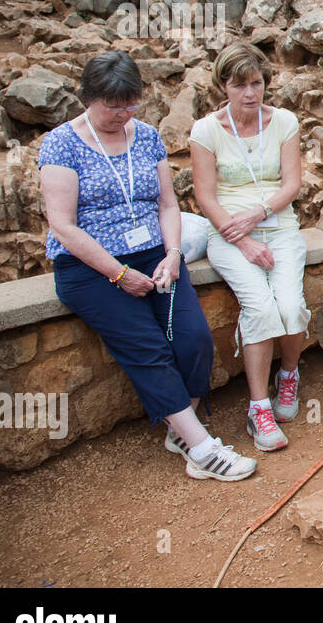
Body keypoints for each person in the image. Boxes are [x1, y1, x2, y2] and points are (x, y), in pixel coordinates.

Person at [38, 51, 256, 481]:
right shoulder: (61, 142)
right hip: (89, 266)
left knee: (193, 338)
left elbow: (167, 203)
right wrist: (117, 274)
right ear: (88, 98)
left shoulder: (146, 136)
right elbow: (62, 226)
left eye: (129, 106)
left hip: (154, 254)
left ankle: (181, 427)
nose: (121, 115)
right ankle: (202, 449)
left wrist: (173, 254)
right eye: (112, 107)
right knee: (148, 348)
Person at [190, 42, 308, 453]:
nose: (250, 94)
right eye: (239, 85)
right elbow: (205, 197)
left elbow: (292, 184)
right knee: (259, 307)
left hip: (278, 225)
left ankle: (288, 376)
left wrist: (258, 216)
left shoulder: (284, 121)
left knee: (291, 306)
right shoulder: (206, 131)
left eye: (256, 83)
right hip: (226, 233)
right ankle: (258, 407)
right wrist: (242, 240)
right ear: (224, 85)